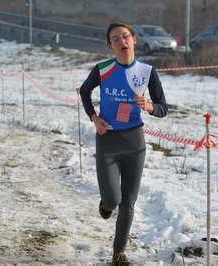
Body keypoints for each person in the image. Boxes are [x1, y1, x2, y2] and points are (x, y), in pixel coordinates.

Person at [79, 22, 168, 266]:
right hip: (107, 139)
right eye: (115, 39)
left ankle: (119, 252)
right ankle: (106, 203)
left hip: (134, 141)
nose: (122, 41)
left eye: (125, 36)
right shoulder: (102, 69)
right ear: (110, 46)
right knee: (113, 200)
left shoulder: (148, 71)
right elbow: (84, 92)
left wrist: (149, 106)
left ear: (134, 39)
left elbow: (163, 108)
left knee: (129, 201)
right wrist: (94, 118)